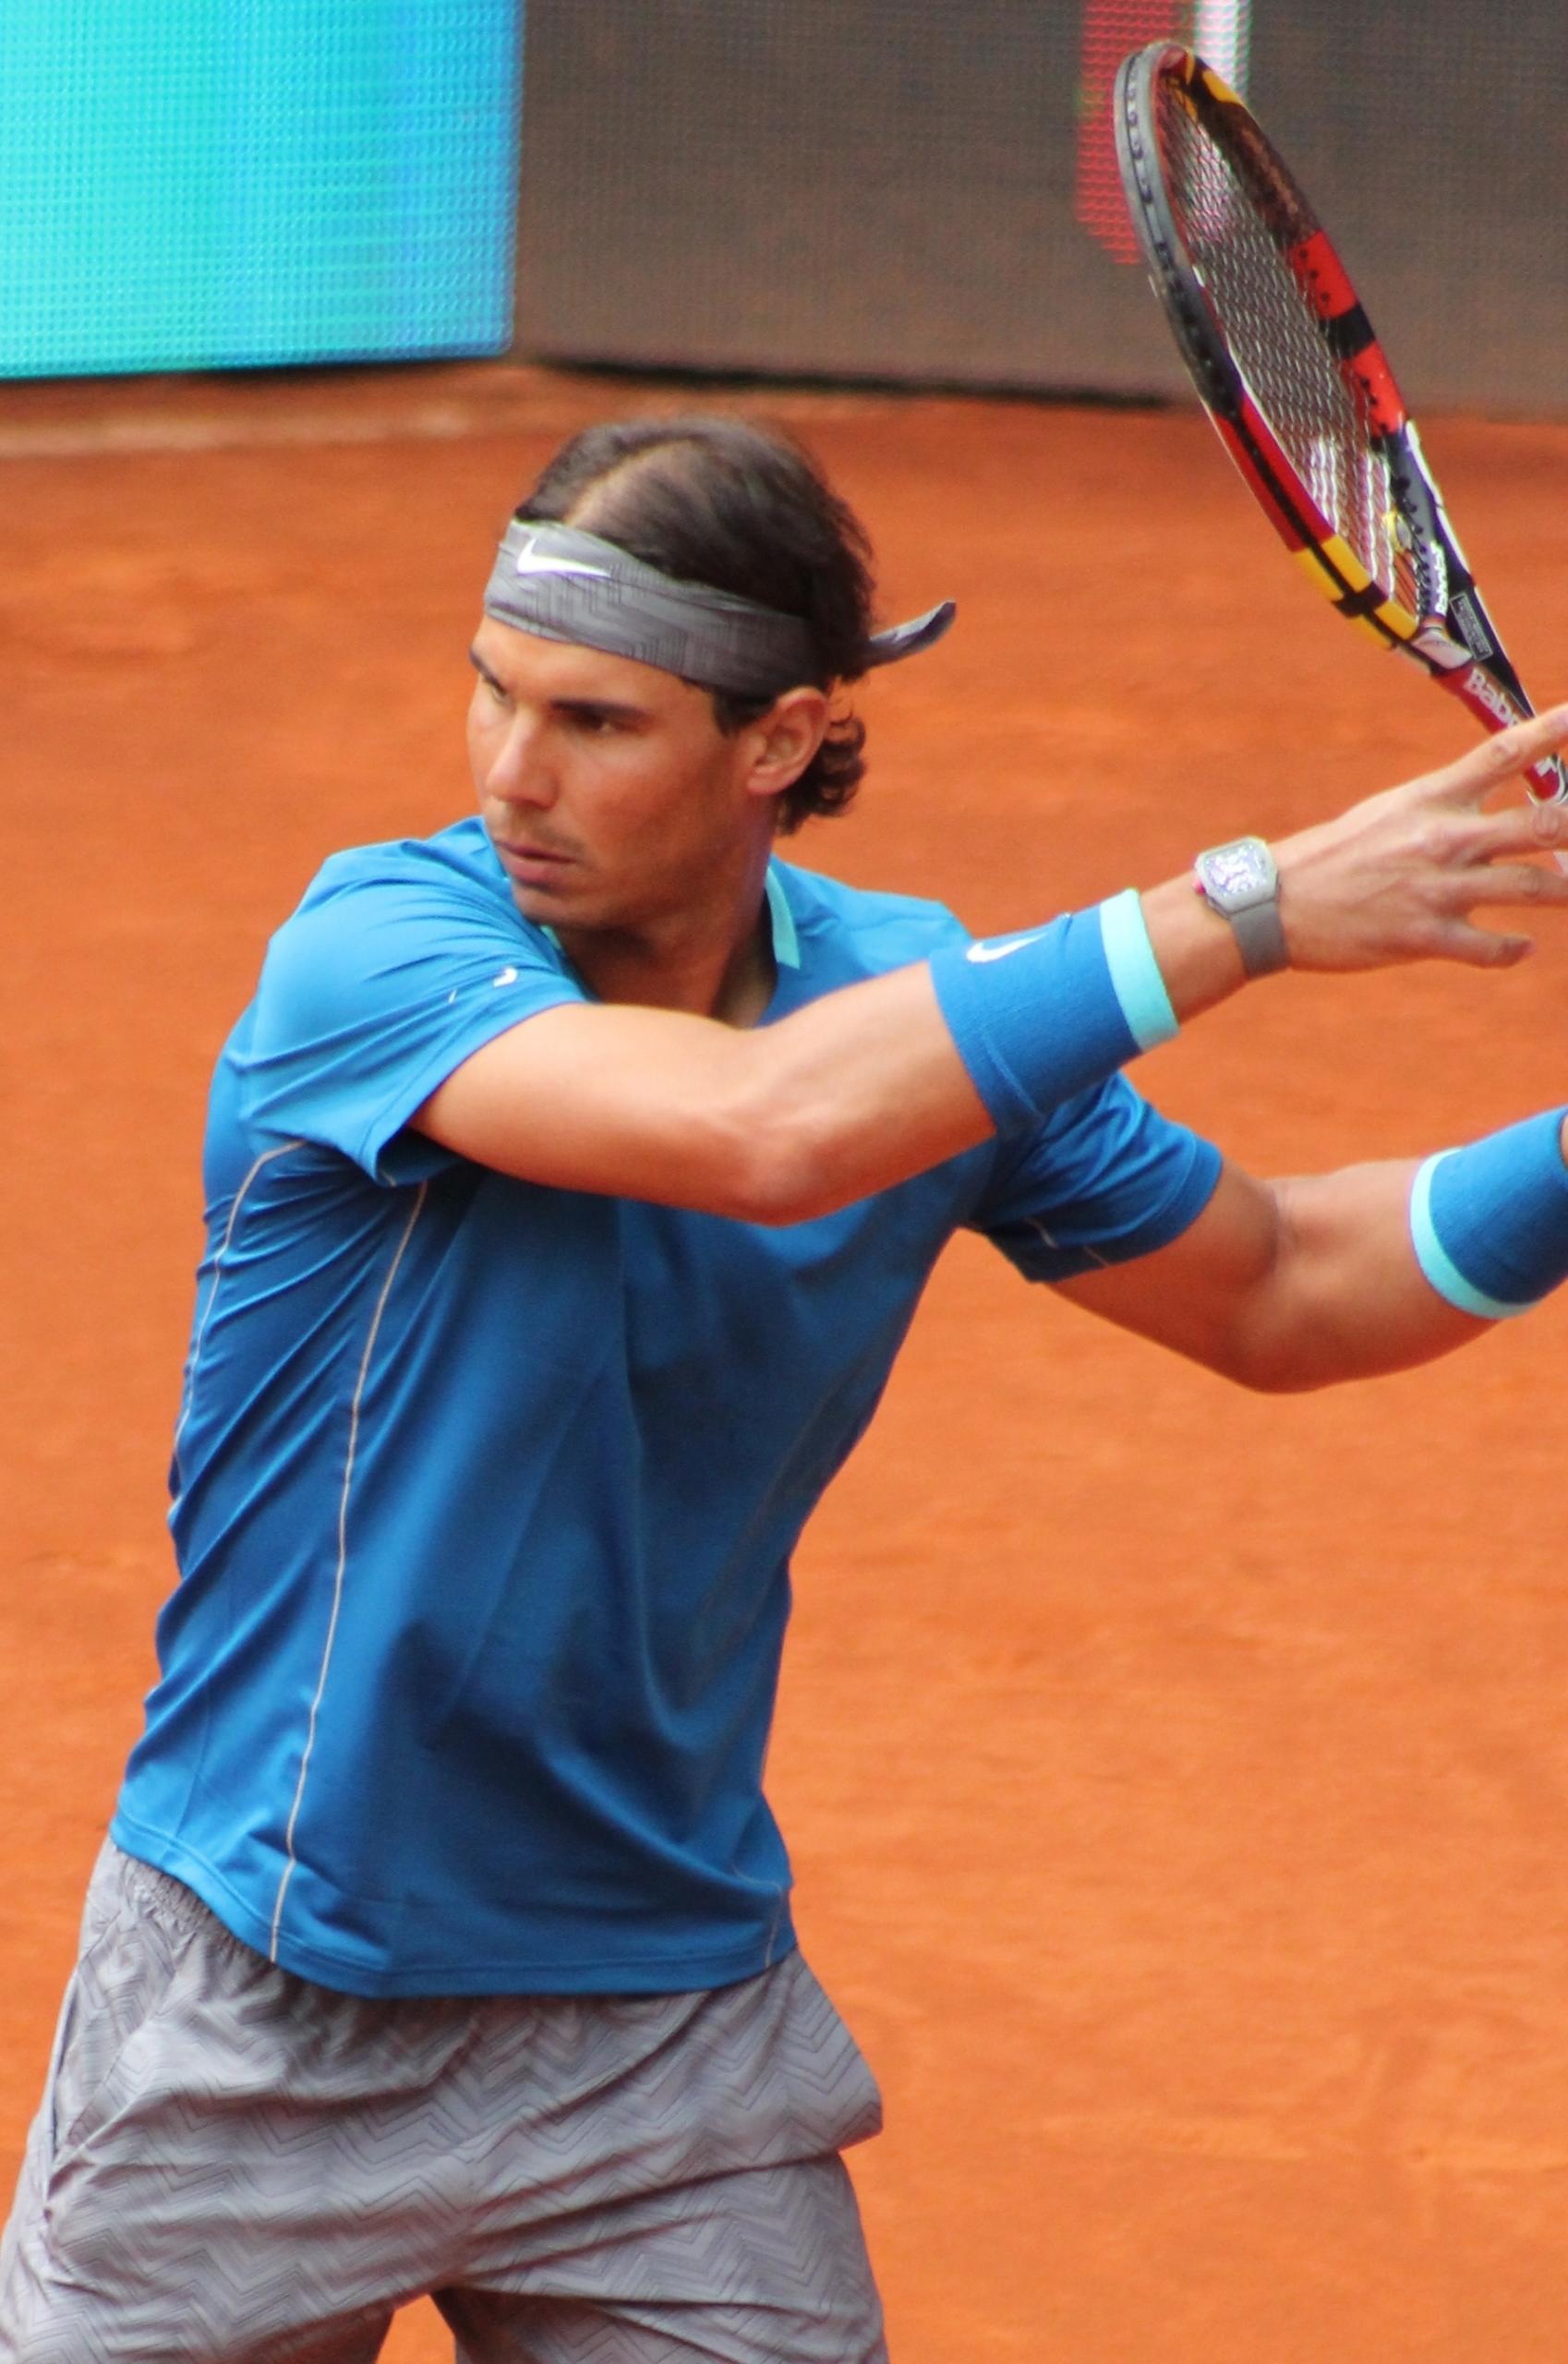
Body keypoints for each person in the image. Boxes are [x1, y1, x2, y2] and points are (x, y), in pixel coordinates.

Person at [5, 412, 1568, 2364]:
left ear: (781, 738)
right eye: (492, 694)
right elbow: (767, 1129)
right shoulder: (380, 949)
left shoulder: (909, 1006)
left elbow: (1286, 1284)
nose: (511, 770)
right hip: (270, 1999)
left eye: (596, 719)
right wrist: (1247, 908)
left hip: (666, 2037)